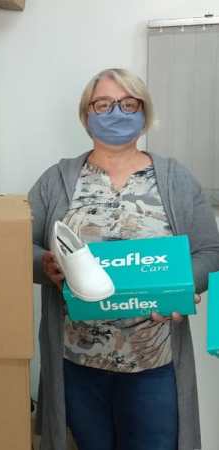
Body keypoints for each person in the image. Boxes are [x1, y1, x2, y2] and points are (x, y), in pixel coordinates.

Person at [28, 68, 219, 450]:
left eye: (128, 104)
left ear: (144, 112)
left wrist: (179, 288)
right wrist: (45, 265)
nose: (116, 112)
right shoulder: (56, 179)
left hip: (153, 362)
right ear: (86, 115)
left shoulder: (175, 179)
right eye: (103, 104)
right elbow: (17, 245)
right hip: (77, 363)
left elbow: (210, 252)